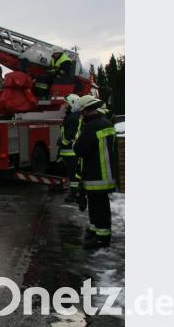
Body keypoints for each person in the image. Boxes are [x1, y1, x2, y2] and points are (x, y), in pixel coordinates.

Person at [74, 95, 119, 249]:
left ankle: (102, 238)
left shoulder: (91, 127)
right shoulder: (106, 123)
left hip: (96, 173)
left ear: (85, 111)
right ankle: (95, 230)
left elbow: (80, 149)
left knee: (99, 207)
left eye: (82, 112)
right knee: (97, 204)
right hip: (106, 172)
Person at [59, 94, 81, 202]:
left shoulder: (73, 118)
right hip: (69, 152)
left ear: (73, 103)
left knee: (73, 176)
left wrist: (61, 142)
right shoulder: (73, 116)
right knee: (72, 175)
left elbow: (70, 136)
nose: (64, 105)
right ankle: (75, 193)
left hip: (71, 152)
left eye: (66, 103)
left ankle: (73, 194)